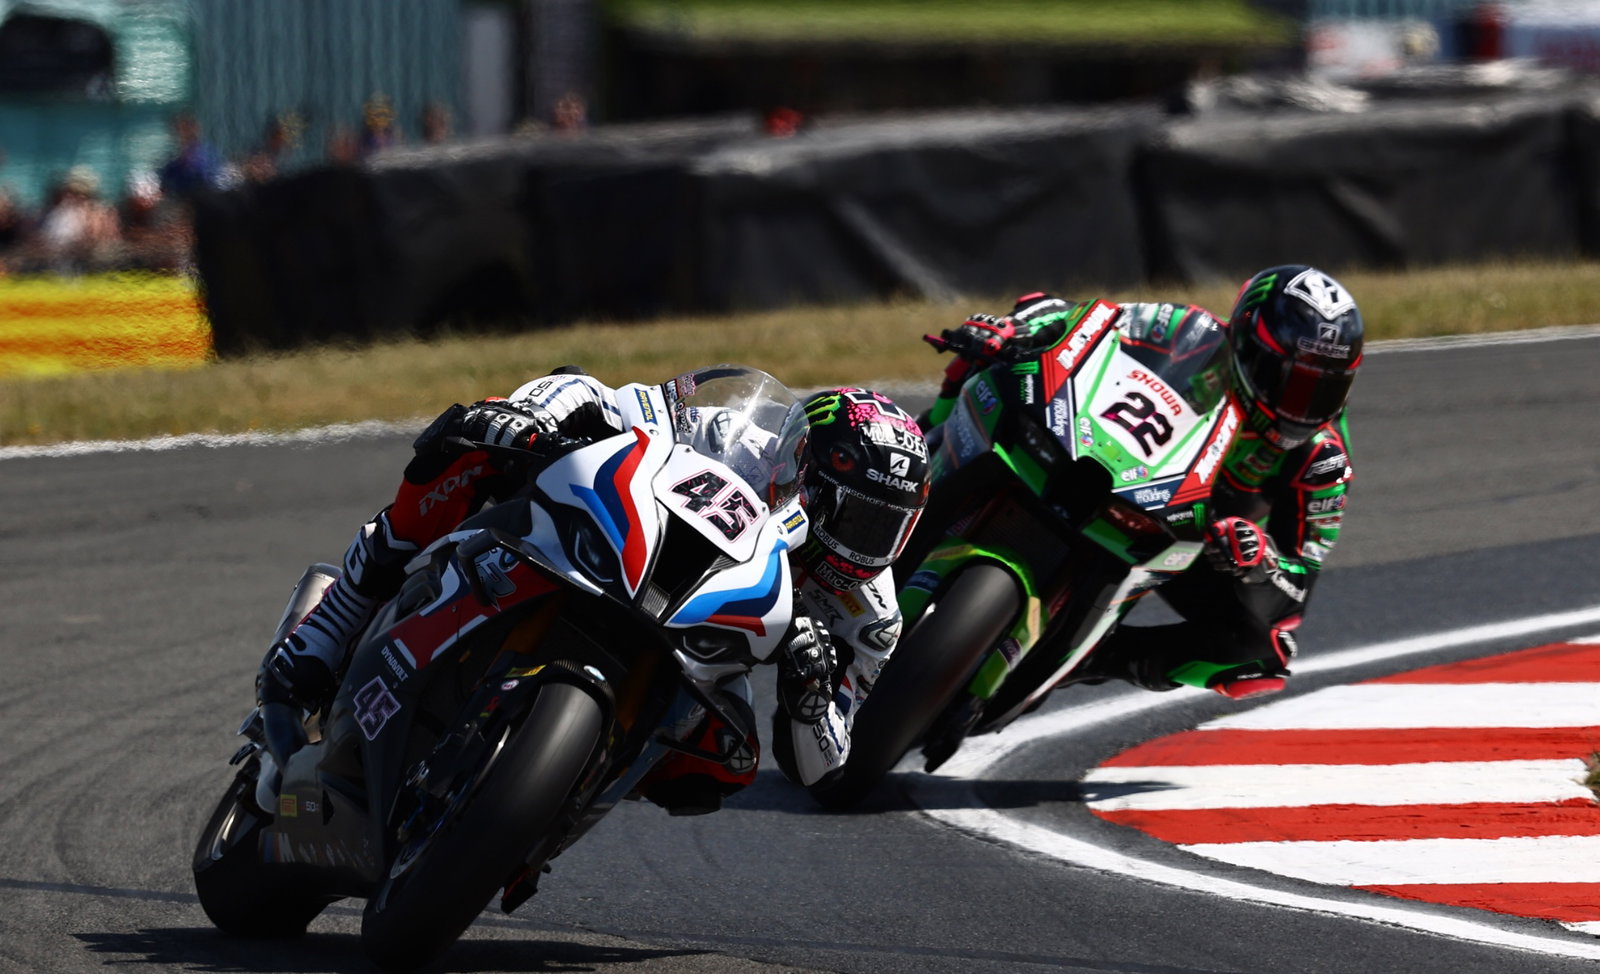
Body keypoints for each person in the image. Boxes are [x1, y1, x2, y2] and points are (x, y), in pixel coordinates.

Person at [256, 368, 930, 814]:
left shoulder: (871, 616)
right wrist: (529, 418)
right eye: (861, 518)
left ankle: (556, 801)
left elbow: (825, 769)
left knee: (722, 766)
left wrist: (813, 697)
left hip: (697, 653)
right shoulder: (741, 441)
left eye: (889, 527)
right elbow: (608, 396)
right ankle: (329, 627)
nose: (865, 545)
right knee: (472, 450)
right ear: (806, 471)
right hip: (614, 554)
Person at [924, 264, 1363, 699]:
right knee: (981, 362)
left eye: (1321, 391)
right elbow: (1083, 319)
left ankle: (1091, 658)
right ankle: (919, 455)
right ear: (1246, 344)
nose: (1300, 408)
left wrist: (1259, 560)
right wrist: (1016, 328)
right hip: (1101, 455)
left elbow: (1295, 592)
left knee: (1261, 657)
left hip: (1189, 537)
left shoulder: (1321, 461)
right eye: (1289, 381)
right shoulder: (1188, 330)